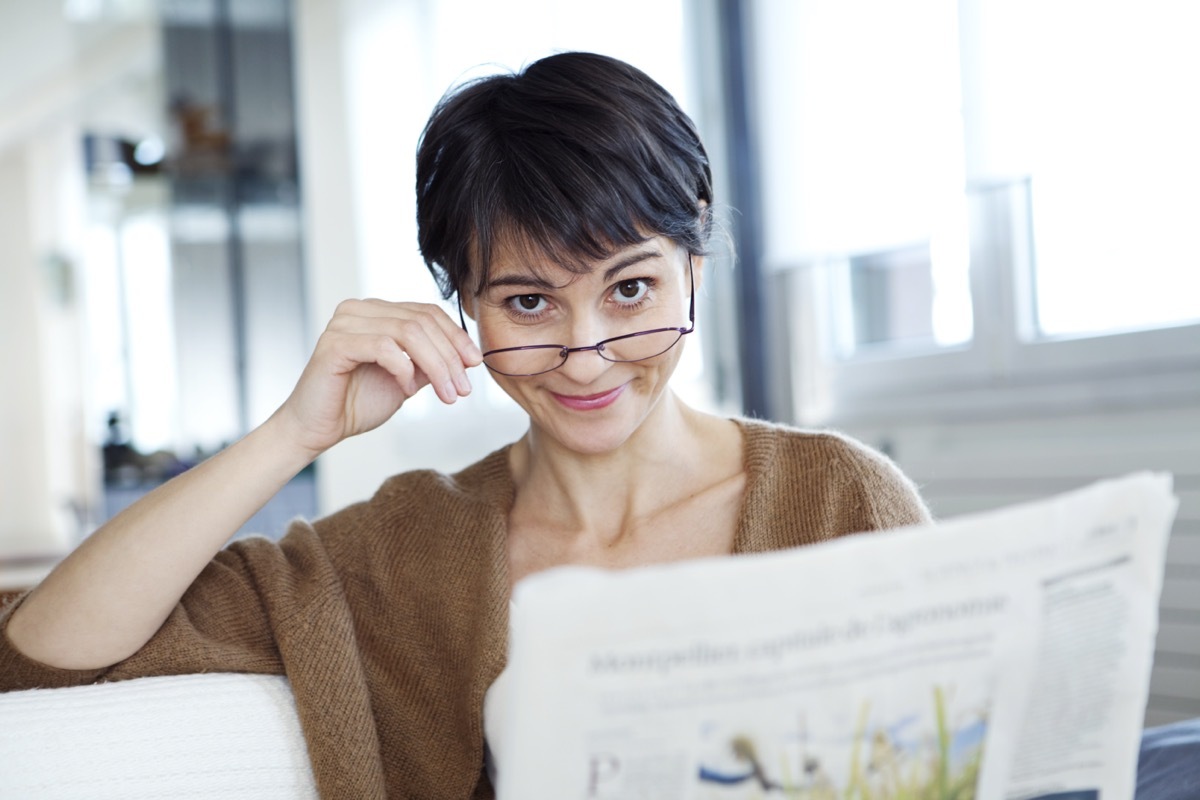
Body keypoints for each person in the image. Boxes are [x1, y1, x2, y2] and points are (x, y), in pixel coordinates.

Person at [0, 52, 929, 798]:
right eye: (529, 303)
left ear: (696, 256)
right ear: (463, 307)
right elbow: (46, 651)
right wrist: (294, 434)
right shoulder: (398, 555)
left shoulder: (840, 497)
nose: (588, 352)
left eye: (631, 288)